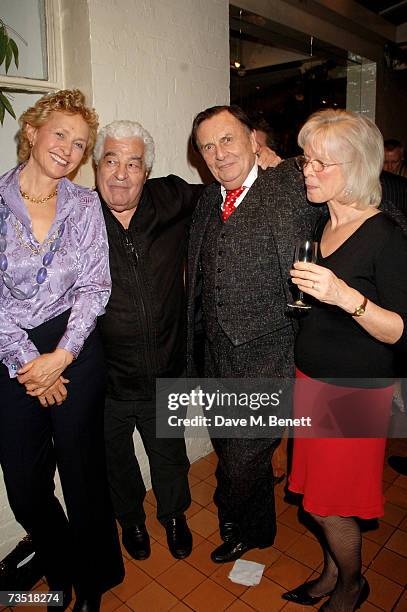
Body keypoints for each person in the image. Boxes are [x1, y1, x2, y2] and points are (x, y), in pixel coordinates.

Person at [92, 119, 280, 562]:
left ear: (147, 171)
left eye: (133, 163)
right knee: (115, 462)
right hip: (105, 377)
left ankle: (173, 516)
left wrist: (266, 162)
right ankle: (132, 521)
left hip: (165, 369)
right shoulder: (78, 215)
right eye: (111, 161)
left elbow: (229, 190)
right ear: (96, 165)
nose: (121, 173)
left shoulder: (172, 197)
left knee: (169, 455)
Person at [0, 90, 124, 612]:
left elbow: (96, 286)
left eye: (80, 144)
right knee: (26, 486)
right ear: (32, 132)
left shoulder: (85, 203)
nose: (69, 150)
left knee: (82, 475)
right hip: (15, 356)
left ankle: (91, 584)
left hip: (75, 350)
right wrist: (29, 362)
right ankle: (62, 564)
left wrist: (62, 357)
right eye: (60, 135)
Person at [283, 109, 407, 611]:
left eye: (321, 164)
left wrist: (343, 295)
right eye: (305, 160)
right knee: (315, 495)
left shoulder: (386, 237)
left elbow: (399, 328)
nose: (308, 171)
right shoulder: (321, 222)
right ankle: (332, 572)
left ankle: (353, 585)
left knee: (330, 506)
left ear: (355, 167)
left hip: (354, 391)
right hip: (311, 379)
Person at [186, 105, 320, 563]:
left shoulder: (285, 188)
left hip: (267, 356)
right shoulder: (207, 201)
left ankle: (239, 520)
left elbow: (333, 166)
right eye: (207, 146)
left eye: (227, 139)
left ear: (252, 142)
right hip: (217, 356)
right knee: (229, 446)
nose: (218, 153)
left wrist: (293, 163)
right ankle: (258, 529)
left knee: (242, 460)